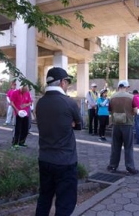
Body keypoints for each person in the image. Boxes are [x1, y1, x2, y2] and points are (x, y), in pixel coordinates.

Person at [35, 67, 82, 216]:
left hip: (44, 159)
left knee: (44, 199)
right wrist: (71, 123)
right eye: (67, 81)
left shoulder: (40, 103)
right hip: (65, 161)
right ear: (62, 82)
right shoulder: (69, 103)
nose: (67, 85)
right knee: (65, 204)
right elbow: (80, 124)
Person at [106, 80, 139, 175]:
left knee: (115, 146)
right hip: (127, 124)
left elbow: (110, 111)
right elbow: (136, 111)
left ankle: (112, 166)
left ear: (118, 87)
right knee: (128, 147)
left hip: (116, 124)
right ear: (127, 87)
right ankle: (130, 167)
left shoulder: (112, 97)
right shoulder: (131, 97)